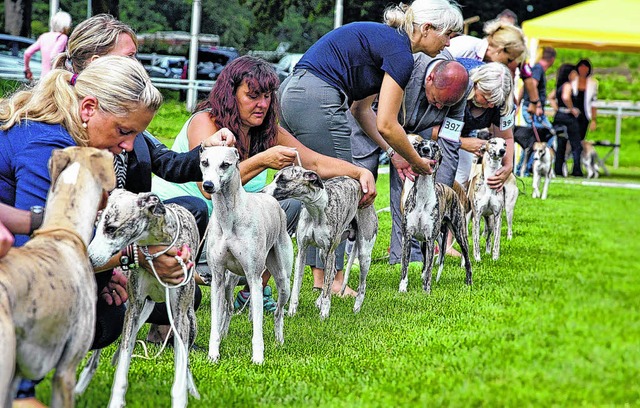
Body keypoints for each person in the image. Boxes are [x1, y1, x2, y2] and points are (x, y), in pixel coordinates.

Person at [0, 55, 161, 408]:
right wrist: (137, 257)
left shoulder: (57, 133)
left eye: (137, 134)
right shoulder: (48, 146)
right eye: (124, 130)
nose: (129, 146)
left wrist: (104, 270)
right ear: (88, 107)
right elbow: (39, 258)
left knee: (104, 308)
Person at [154, 55, 377, 308]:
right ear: (231, 95)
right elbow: (208, 189)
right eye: (253, 96)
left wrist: (358, 172)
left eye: (268, 96)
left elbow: (313, 163)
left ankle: (252, 291)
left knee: (288, 205)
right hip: (186, 231)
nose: (262, 104)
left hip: (233, 230)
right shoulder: (205, 123)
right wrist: (263, 161)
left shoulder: (267, 131)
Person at [279, 0, 464, 292]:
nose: (450, 42)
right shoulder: (401, 54)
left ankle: (267, 259)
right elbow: (388, 124)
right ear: (427, 29)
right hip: (319, 98)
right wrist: (416, 160)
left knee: (298, 188)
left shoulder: (388, 42)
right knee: (343, 187)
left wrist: (394, 154)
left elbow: (362, 111)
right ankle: (332, 281)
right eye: (449, 33)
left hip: (293, 92)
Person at [446, 18, 541, 117]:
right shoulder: (464, 47)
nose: (507, 65)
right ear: (500, 49)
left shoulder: (485, 62)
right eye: (509, 60)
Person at [552, 63, 583, 177]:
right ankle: (576, 169)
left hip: (559, 116)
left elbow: (551, 97)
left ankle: (558, 169)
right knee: (576, 144)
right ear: (570, 74)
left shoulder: (559, 85)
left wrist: (558, 109)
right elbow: (566, 97)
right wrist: (572, 109)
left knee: (561, 143)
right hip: (568, 117)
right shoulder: (568, 85)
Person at [23, 10, 72, 80]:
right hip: (55, 79)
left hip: (43, 78)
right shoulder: (62, 38)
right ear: (65, 25)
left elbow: (27, 53)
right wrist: (70, 69)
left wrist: (27, 70)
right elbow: (53, 56)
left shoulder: (44, 36)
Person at [572, 58, 598, 140]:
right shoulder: (572, 81)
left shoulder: (593, 83)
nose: (583, 69)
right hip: (572, 114)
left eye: (585, 67)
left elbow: (594, 102)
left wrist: (593, 120)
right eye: (581, 66)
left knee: (581, 138)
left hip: (585, 114)